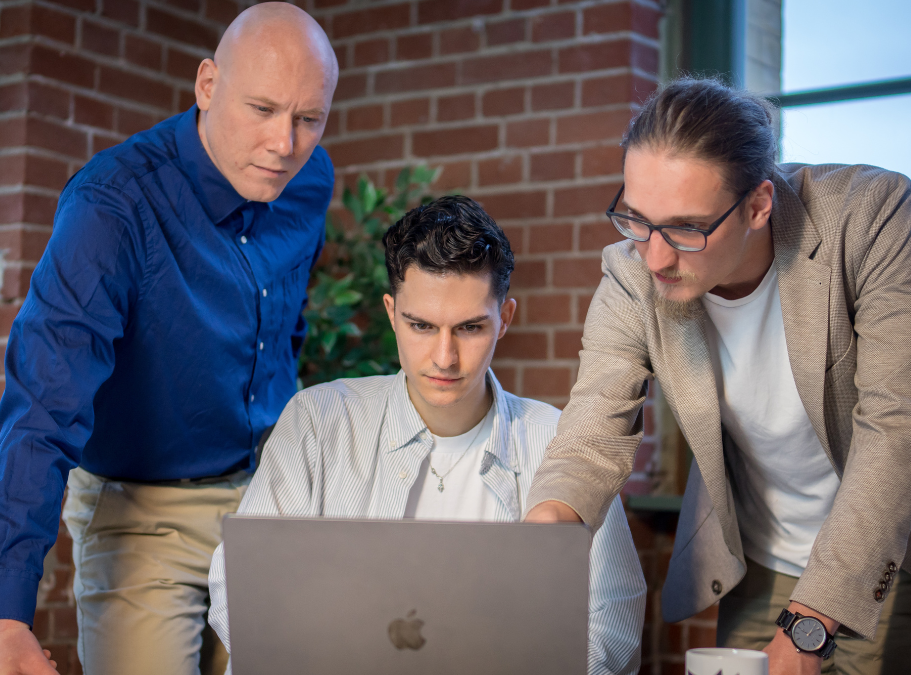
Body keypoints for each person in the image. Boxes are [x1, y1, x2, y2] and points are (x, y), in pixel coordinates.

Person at [522, 78, 911, 674]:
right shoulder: (632, 273)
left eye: (686, 228)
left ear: (759, 205)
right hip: (761, 564)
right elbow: (591, 435)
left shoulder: (868, 216)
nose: (655, 257)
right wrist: (541, 542)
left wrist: (810, 627)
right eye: (636, 219)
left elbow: (898, 427)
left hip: (893, 560)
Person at [0, 5, 338, 674]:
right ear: (206, 85)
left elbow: (286, 324)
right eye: (262, 109)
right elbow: (44, 406)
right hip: (142, 510)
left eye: (309, 119)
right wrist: (2, 612)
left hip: (269, 498)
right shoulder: (112, 205)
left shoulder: (310, 181)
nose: (286, 143)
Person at [205, 195, 648, 675]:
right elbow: (240, 588)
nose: (444, 357)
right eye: (420, 325)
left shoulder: (561, 443)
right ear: (392, 313)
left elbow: (611, 624)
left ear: (505, 320)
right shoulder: (318, 420)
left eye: (470, 328)